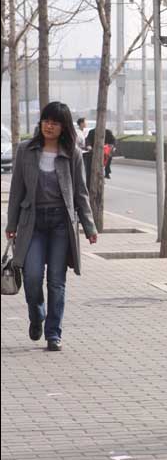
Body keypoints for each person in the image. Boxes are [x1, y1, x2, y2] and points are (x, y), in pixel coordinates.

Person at [5, 101, 97, 351]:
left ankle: (53, 333)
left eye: (55, 122)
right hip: (32, 223)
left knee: (57, 281)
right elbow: (16, 192)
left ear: (64, 127)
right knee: (33, 277)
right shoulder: (26, 149)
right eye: (46, 120)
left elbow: (81, 193)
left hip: (60, 224)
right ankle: (37, 316)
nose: (49, 125)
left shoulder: (72, 154)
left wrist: (89, 227)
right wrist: (11, 223)